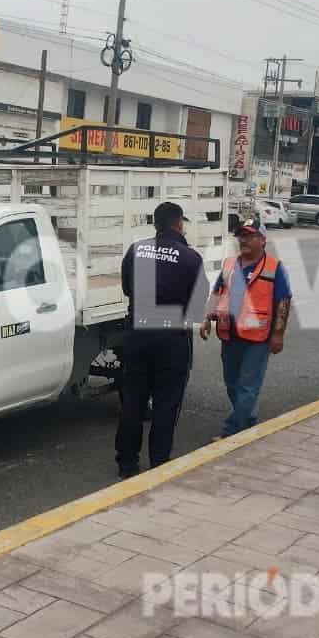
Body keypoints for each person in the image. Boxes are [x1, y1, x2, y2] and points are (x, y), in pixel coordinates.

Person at [115, 201, 210, 478]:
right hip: (171, 338)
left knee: (133, 400)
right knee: (167, 402)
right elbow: (196, 305)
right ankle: (158, 461)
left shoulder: (137, 249)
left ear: (155, 224)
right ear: (179, 224)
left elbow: (126, 287)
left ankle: (127, 463)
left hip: (137, 335)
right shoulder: (191, 258)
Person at [200, 217, 292, 438]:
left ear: (262, 240)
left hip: (257, 338)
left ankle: (236, 433)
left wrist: (278, 335)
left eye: (250, 236)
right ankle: (246, 418)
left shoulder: (274, 267)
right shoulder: (230, 264)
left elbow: (283, 301)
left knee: (247, 386)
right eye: (242, 236)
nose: (244, 240)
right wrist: (206, 317)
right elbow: (217, 292)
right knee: (232, 382)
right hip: (229, 334)